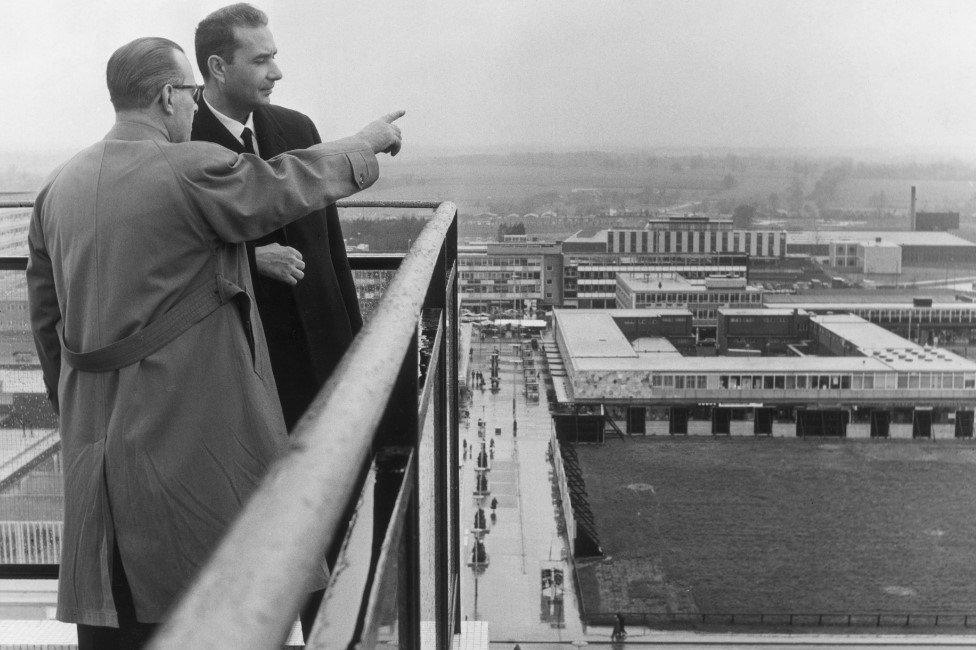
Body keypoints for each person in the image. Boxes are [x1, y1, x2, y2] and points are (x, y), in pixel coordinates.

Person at [26, 36, 402, 648]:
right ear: (170, 96)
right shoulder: (188, 167)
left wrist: (76, 403)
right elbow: (284, 184)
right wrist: (363, 147)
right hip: (183, 424)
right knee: (204, 583)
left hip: (92, 435)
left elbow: (48, 324)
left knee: (113, 599)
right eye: (191, 94)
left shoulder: (58, 186)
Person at [191, 4, 363, 433]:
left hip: (321, 355)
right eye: (261, 60)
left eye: (274, 56)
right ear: (218, 67)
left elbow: (331, 249)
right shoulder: (180, 141)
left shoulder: (299, 128)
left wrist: (356, 349)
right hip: (243, 368)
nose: (277, 72)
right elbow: (168, 254)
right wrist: (249, 260)